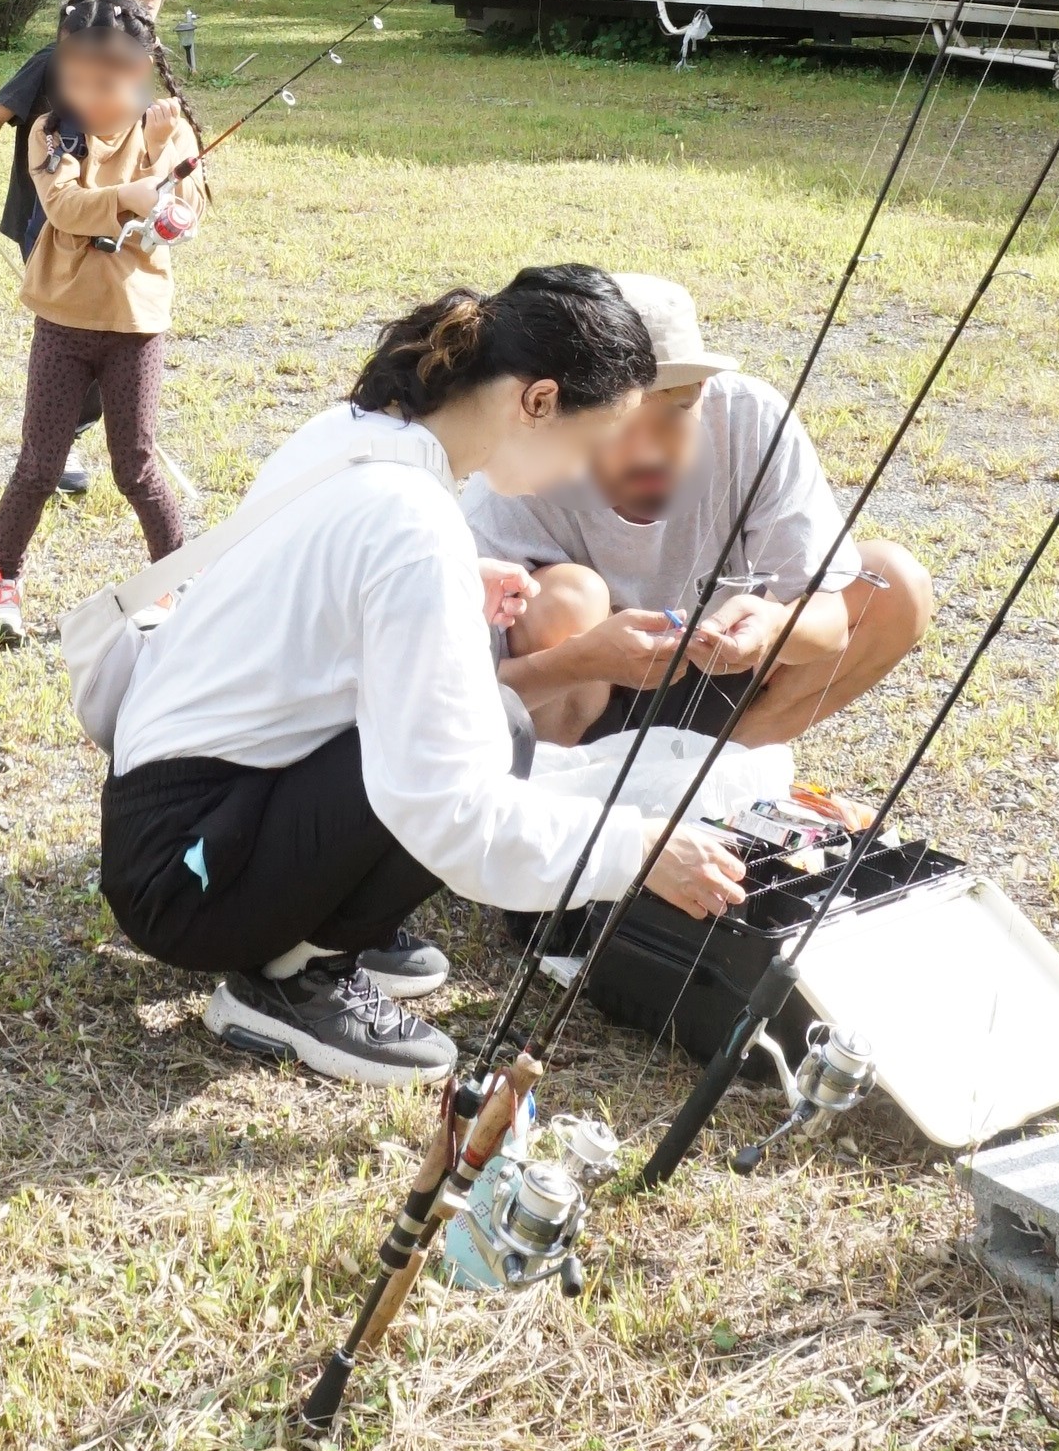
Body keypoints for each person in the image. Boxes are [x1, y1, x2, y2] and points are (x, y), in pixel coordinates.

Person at [101, 269, 750, 1086]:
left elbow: (296, 576)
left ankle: (314, 930)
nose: (580, 474)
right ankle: (293, 978)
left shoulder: (360, 431)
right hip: (184, 879)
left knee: (502, 719)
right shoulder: (413, 523)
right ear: (538, 401)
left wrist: (454, 579)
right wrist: (640, 850)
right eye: (588, 446)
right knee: (483, 737)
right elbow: (452, 812)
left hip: (168, 811)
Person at [474, 273, 935, 754]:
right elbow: (455, 691)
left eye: (677, 412)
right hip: (574, 695)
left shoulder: (750, 418)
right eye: (624, 424)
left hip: (719, 675)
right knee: (569, 597)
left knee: (893, 581)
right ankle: (567, 790)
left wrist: (773, 626)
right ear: (578, 407)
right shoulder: (521, 466)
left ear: (703, 387)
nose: (652, 452)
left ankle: (716, 769)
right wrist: (584, 662)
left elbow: (832, 622)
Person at [0, 0, 203, 647]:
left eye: (115, 81)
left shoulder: (167, 126)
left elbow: (183, 213)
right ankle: (0, 582)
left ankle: (174, 580)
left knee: (135, 464)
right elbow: (66, 209)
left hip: (137, 324)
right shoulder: (51, 130)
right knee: (39, 464)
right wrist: (134, 192)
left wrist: (162, 170)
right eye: (81, 80)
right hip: (64, 323)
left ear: (143, 71)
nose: (98, 96)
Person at [0, 0, 179, 498]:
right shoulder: (53, 61)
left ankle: (66, 432)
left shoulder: (137, 70)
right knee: (69, 333)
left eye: (149, 5)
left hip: (117, 228)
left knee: (116, 330)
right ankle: (52, 445)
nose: (136, 15)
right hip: (47, 221)